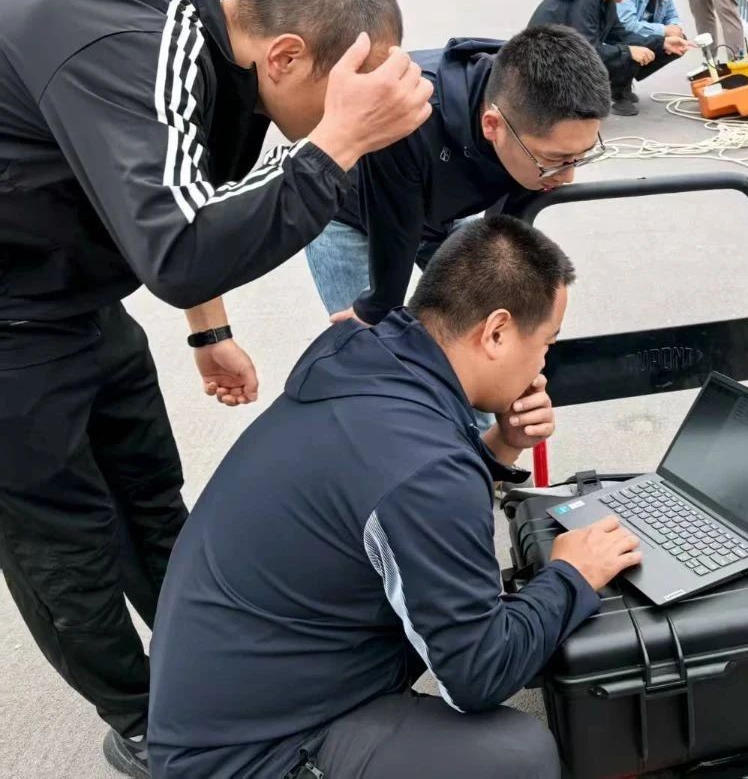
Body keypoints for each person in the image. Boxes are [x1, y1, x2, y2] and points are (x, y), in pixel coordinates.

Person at [0, 0, 430, 777]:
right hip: (11, 320)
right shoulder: (133, 48)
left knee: (151, 497)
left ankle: (213, 665)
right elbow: (181, 252)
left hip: (72, 293)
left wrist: (209, 332)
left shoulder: (224, 54)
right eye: (347, 93)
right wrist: (335, 144)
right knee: (63, 543)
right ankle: (147, 723)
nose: (354, 115)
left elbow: (188, 199)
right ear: (287, 55)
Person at [148, 217, 642, 779]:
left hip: (236, 691)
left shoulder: (371, 357)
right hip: (247, 757)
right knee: (514, 757)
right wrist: (572, 575)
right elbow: (477, 676)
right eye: (545, 344)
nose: (542, 366)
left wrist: (502, 442)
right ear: (497, 332)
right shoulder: (424, 468)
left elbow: (399, 491)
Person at [304, 25, 612, 325]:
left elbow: (506, 229)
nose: (567, 175)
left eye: (579, 156)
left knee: (495, 311)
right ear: (492, 125)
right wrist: (375, 308)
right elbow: (395, 229)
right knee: (371, 340)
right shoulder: (412, 111)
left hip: (437, 211)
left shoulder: (526, 98)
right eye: (557, 159)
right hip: (350, 212)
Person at [529, 0, 689, 117]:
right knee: (589, 110)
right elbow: (588, 52)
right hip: (541, 66)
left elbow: (621, 34)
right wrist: (628, 52)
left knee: (625, 52)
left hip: (560, 58)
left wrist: (661, 42)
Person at [614, 0, 689, 107]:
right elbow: (625, 25)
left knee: (679, 41)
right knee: (640, 38)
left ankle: (626, 80)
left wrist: (675, 29)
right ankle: (617, 87)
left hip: (638, 39)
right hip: (613, 41)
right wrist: (664, 30)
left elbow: (673, 16)